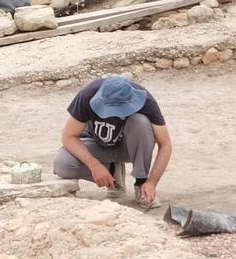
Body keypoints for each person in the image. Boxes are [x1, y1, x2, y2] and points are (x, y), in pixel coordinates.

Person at [54, 75, 171, 206]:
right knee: (62, 164)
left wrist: (152, 182)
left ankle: (141, 183)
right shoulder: (88, 95)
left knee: (141, 122)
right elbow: (68, 136)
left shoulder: (146, 100)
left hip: (128, 148)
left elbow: (165, 144)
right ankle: (113, 172)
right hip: (97, 146)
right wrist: (95, 165)